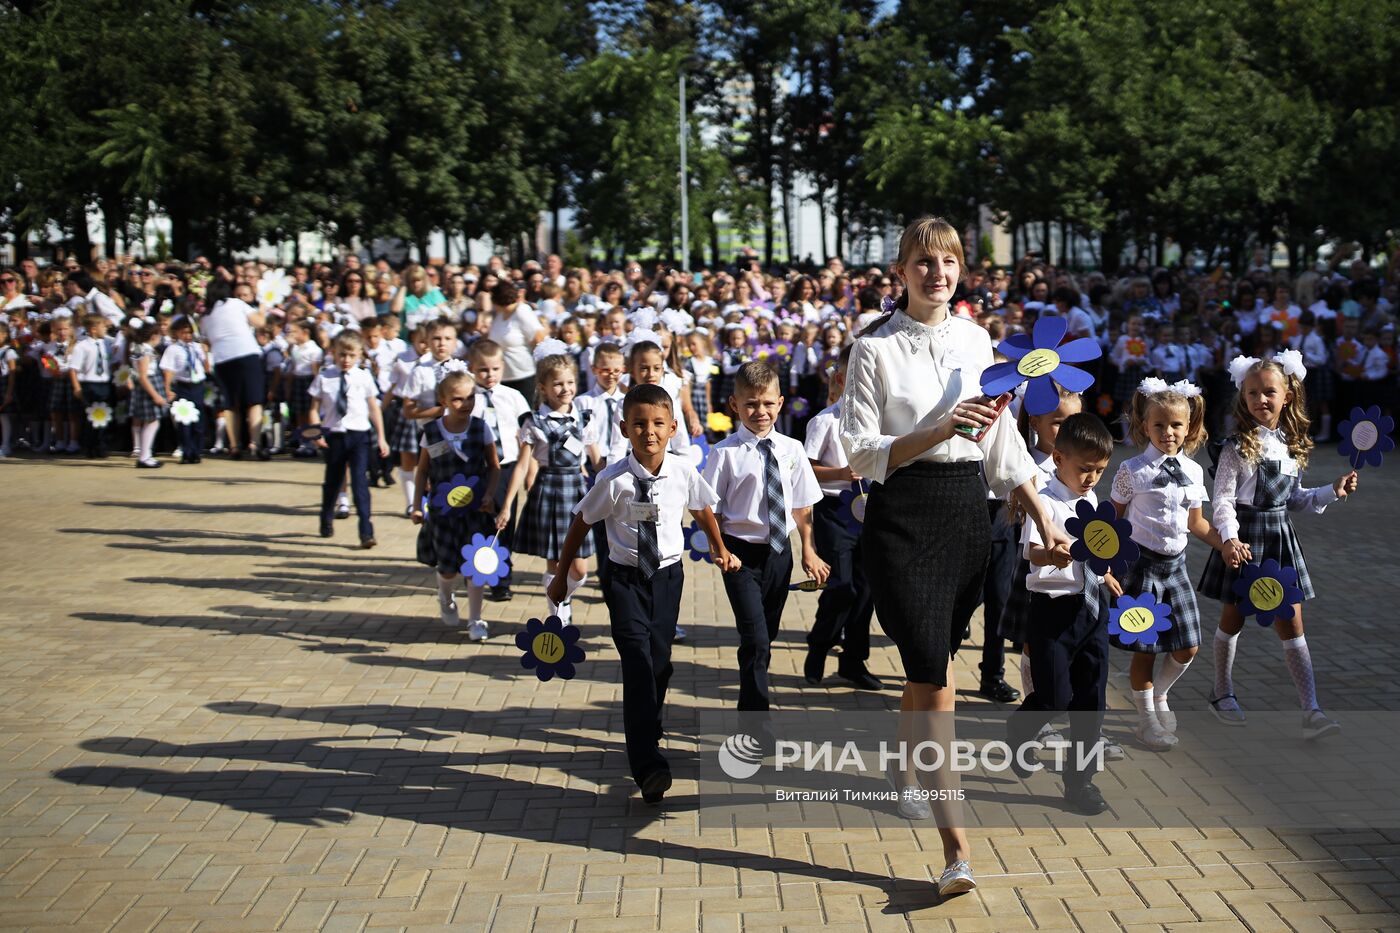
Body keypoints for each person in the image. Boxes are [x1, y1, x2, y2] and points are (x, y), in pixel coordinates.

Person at [840, 216, 1069, 896]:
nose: (936, 272)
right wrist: (938, 427)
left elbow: (1001, 445)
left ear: (960, 269)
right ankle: (956, 850)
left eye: (948, 261)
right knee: (936, 678)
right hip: (900, 519)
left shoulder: (976, 339)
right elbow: (859, 452)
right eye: (923, 260)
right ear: (901, 270)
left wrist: (1045, 516)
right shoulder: (872, 348)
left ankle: (904, 773)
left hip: (966, 515)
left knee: (928, 662)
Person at [548, 383, 736, 804]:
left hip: (667, 577)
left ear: (672, 428)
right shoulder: (612, 479)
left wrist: (721, 549)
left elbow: (701, 508)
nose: (648, 432)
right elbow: (581, 522)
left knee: (660, 661)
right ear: (624, 428)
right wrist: (561, 576)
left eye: (656, 424)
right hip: (624, 579)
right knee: (636, 660)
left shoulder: (685, 470)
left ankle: (648, 722)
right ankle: (648, 765)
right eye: (638, 424)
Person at [1197, 352, 1358, 740]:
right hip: (1245, 542)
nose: (1261, 400)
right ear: (1243, 397)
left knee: (1292, 622)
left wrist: (1332, 491)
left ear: (1287, 396)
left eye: (1269, 392)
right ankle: (1222, 692)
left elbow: (1297, 499)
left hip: (1280, 539)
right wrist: (1230, 539)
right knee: (1232, 620)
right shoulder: (1236, 447)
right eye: (1253, 393)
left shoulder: (1290, 444)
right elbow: (1222, 500)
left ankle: (1311, 710)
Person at [1006, 413, 1120, 816]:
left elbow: (1097, 551)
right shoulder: (1045, 500)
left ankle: (1080, 782)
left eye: (1100, 471)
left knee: (1091, 701)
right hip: (1052, 612)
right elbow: (1031, 552)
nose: (1091, 478)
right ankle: (1020, 729)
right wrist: (1052, 554)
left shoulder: (1093, 502)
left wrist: (1105, 574)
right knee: (1055, 697)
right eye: (1085, 468)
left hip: (1092, 611)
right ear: (1058, 457)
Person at [704, 361, 829, 711]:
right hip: (740, 557)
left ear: (780, 402)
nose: (760, 411)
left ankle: (755, 689)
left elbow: (803, 505)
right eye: (751, 404)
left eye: (767, 403)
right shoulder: (724, 453)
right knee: (755, 639)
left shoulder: (792, 449)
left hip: (779, 554)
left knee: (767, 636)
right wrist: (719, 549)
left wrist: (809, 550)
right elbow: (708, 510)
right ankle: (755, 720)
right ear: (735, 405)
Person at [1111, 378, 1224, 750]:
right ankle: (1146, 721)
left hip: (1176, 569)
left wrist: (1226, 544)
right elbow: (1113, 521)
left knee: (1188, 645)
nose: (1168, 432)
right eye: (1159, 425)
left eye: (1176, 425)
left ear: (1189, 427)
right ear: (1144, 426)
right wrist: (1106, 565)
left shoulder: (1192, 471)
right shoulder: (1132, 470)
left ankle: (1159, 696)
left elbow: (1197, 523)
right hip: (1141, 567)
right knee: (1145, 647)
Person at [801, 345, 881, 690]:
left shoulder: (879, 420)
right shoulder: (824, 421)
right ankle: (820, 643)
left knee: (866, 590)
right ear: (839, 378)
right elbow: (805, 469)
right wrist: (840, 472)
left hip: (871, 511)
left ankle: (853, 660)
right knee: (841, 585)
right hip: (834, 512)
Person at [497, 351, 597, 624]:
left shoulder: (584, 418)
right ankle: (558, 616)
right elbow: (521, 465)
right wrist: (507, 505)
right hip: (549, 491)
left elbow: (597, 460)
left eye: (570, 382)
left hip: (577, 491)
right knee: (555, 562)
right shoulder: (535, 422)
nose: (565, 389)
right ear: (543, 388)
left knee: (580, 570)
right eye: (558, 384)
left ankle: (564, 596)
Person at [411, 370, 501, 641]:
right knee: (448, 567)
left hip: (475, 511)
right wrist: (416, 505)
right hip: (443, 513)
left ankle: (476, 619)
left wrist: (489, 494)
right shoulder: (431, 431)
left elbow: (494, 467)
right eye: (458, 399)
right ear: (444, 400)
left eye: (471, 397)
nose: (466, 404)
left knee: (477, 566)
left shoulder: (480, 428)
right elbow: (422, 471)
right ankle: (445, 595)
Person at [307, 331, 387, 548]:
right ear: (334, 353)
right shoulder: (325, 376)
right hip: (334, 435)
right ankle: (326, 518)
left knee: (360, 480)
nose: (346, 360)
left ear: (360, 355)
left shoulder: (363, 377)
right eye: (342, 354)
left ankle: (366, 530)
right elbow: (314, 409)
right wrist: (316, 433)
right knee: (333, 480)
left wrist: (381, 437)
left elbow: (373, 408)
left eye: (351, 355)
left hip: (359, 434)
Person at [470, 339, 530, 602]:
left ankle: (502, 581)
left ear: (503, 368)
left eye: (495, 369)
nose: (489, 375)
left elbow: (527, 436)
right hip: (477, 469)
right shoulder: (468, 398)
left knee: (503, 524)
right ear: (472, 368)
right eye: (483, 370)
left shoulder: (513, 397)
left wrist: (530, 470)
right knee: (477, 524)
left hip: (506, 469)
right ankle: (478, 572)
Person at [200, 280, 269, 459]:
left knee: (231, 404)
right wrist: (263, 306)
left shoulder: (205, 316)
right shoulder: (237, 304)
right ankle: (254, 444)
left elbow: (205, 342)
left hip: (222, 359)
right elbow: (260, 323)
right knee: (254, 401)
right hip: (246, 353)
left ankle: (234, 445)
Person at [579, 342, 628, 587]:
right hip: (593, 467)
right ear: (594, 368)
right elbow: (580, 437)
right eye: (605, 370)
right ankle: (604, 573)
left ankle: (617, 570)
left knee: (620, 520)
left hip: (621, 466)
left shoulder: (627, 400)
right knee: (598, 522)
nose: (611, 375)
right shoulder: (583, 402)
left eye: (616, 370)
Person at [160, 316, 210, 464]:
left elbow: (206, 368)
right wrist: (167, 388)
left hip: (197, 385)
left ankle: (197, 451)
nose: (187, 336)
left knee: (198, 420)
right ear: (177, 333)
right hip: (183, 386)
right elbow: (168, 370)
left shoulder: (196, 347)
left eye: (190, 332)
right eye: (184, 332)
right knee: (184, 421)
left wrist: (205, 352)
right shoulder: (173, 349)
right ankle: (186, 451)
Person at [484, 280, 543, 404]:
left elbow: (538, 339)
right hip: (501, 378)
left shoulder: (522, 311)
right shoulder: (499, 316)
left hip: (524, 376)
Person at [67, 314, 113, 458]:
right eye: (102, 326)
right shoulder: (82, 346)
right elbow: (73, 369)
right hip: (89, 384)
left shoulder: (107, 344)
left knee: (104, 416)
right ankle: (89, 446)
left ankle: (101, 445)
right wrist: (77, 387)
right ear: (93, 329)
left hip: (104, 383)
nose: (105, 329)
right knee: (91, 417)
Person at [127, 320, 167, 468]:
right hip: (149, 386)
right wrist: (155, 395)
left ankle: (146, 455)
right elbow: (143, 376)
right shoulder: (144, 350)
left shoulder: (141, 349)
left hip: (150, 384)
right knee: (152, 421)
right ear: (154, 336)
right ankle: (145, 456)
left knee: (152, 421)